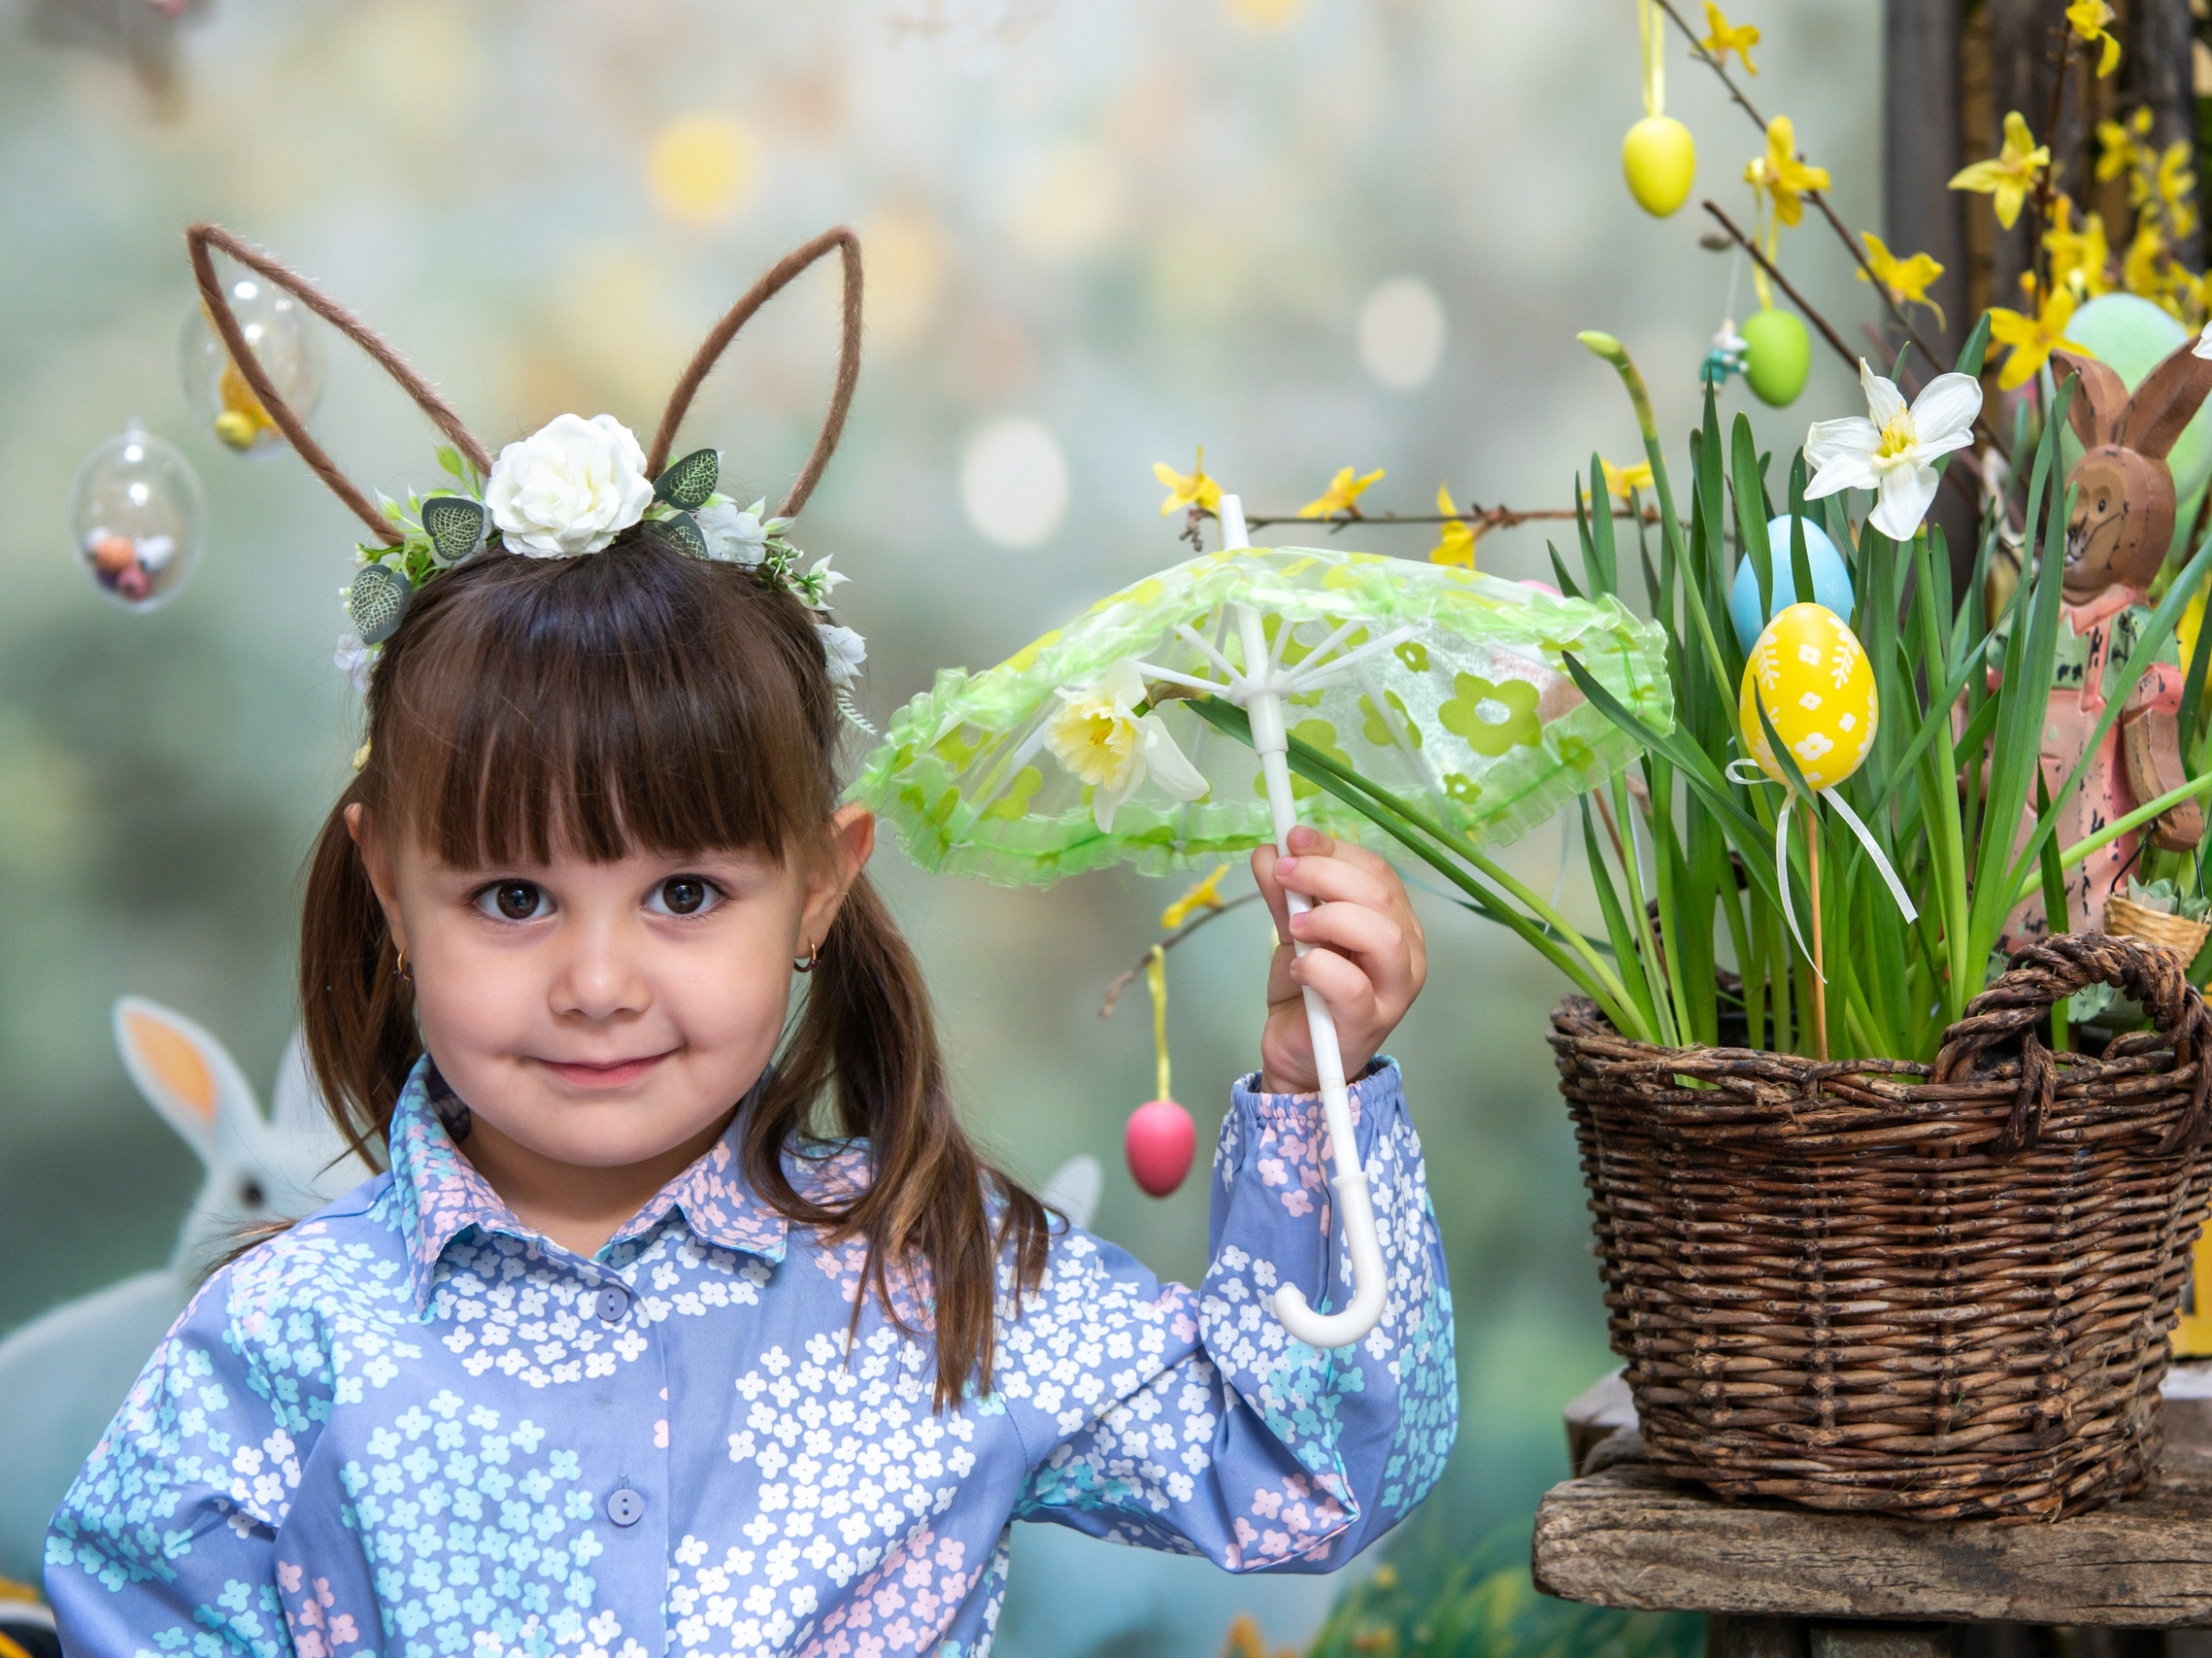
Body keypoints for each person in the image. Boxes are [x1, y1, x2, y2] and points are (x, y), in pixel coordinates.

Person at [44, 226, 1455, 1658]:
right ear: (390, 890)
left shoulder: (946, 1281)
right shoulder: (283, 1338)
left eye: (685, 894)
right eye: (514, 899)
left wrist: (1310, 1092)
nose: (598, 986)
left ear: (821, 887)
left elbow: (1305, 1481)